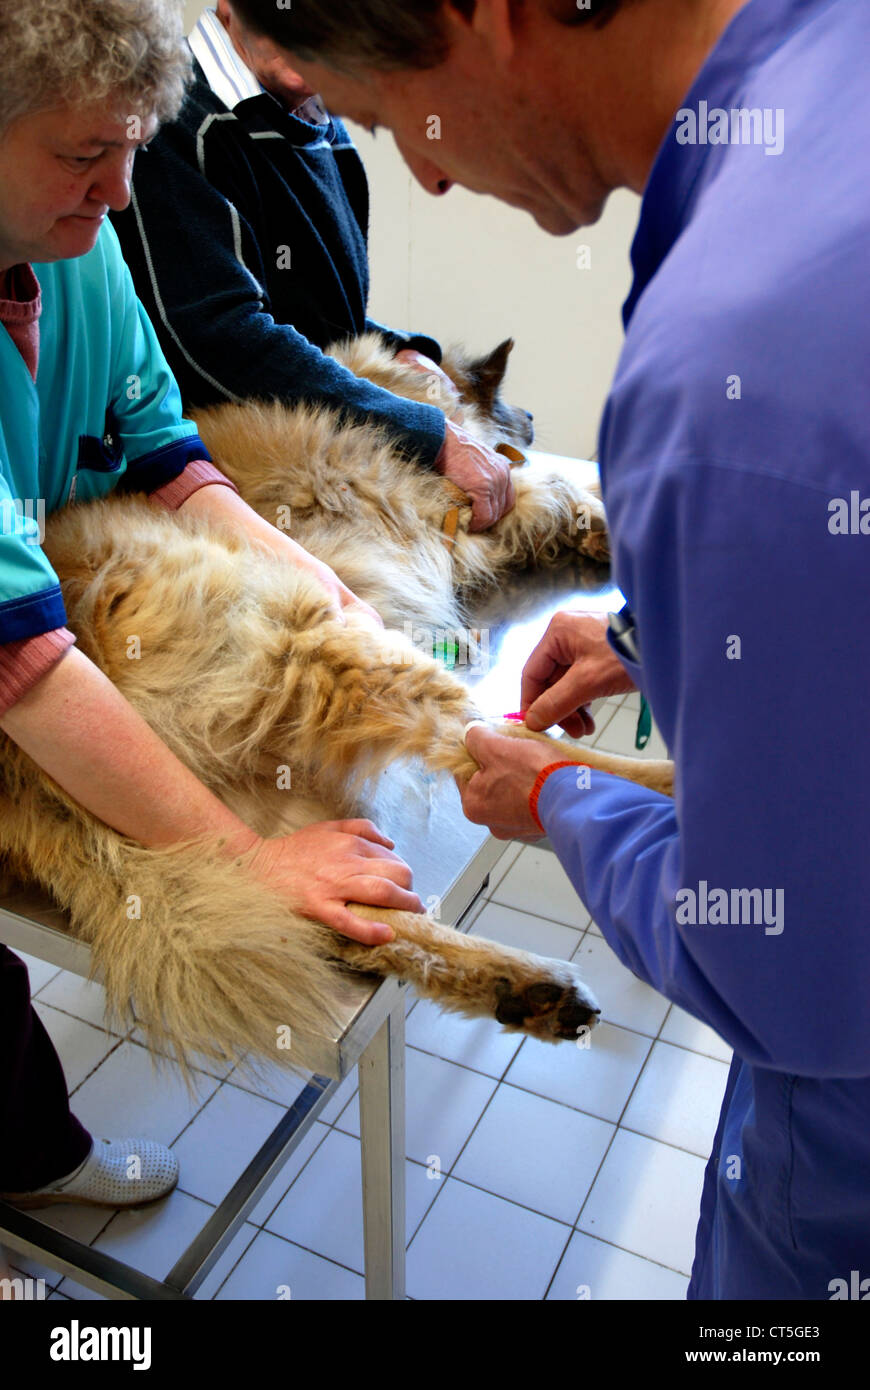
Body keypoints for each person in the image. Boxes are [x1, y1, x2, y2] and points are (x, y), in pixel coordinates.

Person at [230, 0, 870, 1300]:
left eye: (391, 115)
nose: (423, 169)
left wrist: (559, 799)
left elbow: (790, 972)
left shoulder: (725, 369)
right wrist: (664, 625)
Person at [0, 0, 425, 1239]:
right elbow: (23, 662)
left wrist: (322, 592)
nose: (124, 193)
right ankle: (25, 1153)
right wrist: (247, 858)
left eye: (133, 147)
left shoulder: (78, 247)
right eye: (85, 157)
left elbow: (169, 459)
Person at [110, 1, 515, 533]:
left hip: (313, 458)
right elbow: (224, 347)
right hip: (226, 484)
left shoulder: (325, 131)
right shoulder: (176, 127)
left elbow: (318, 325)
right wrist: (426, 433)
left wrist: (405, 348)